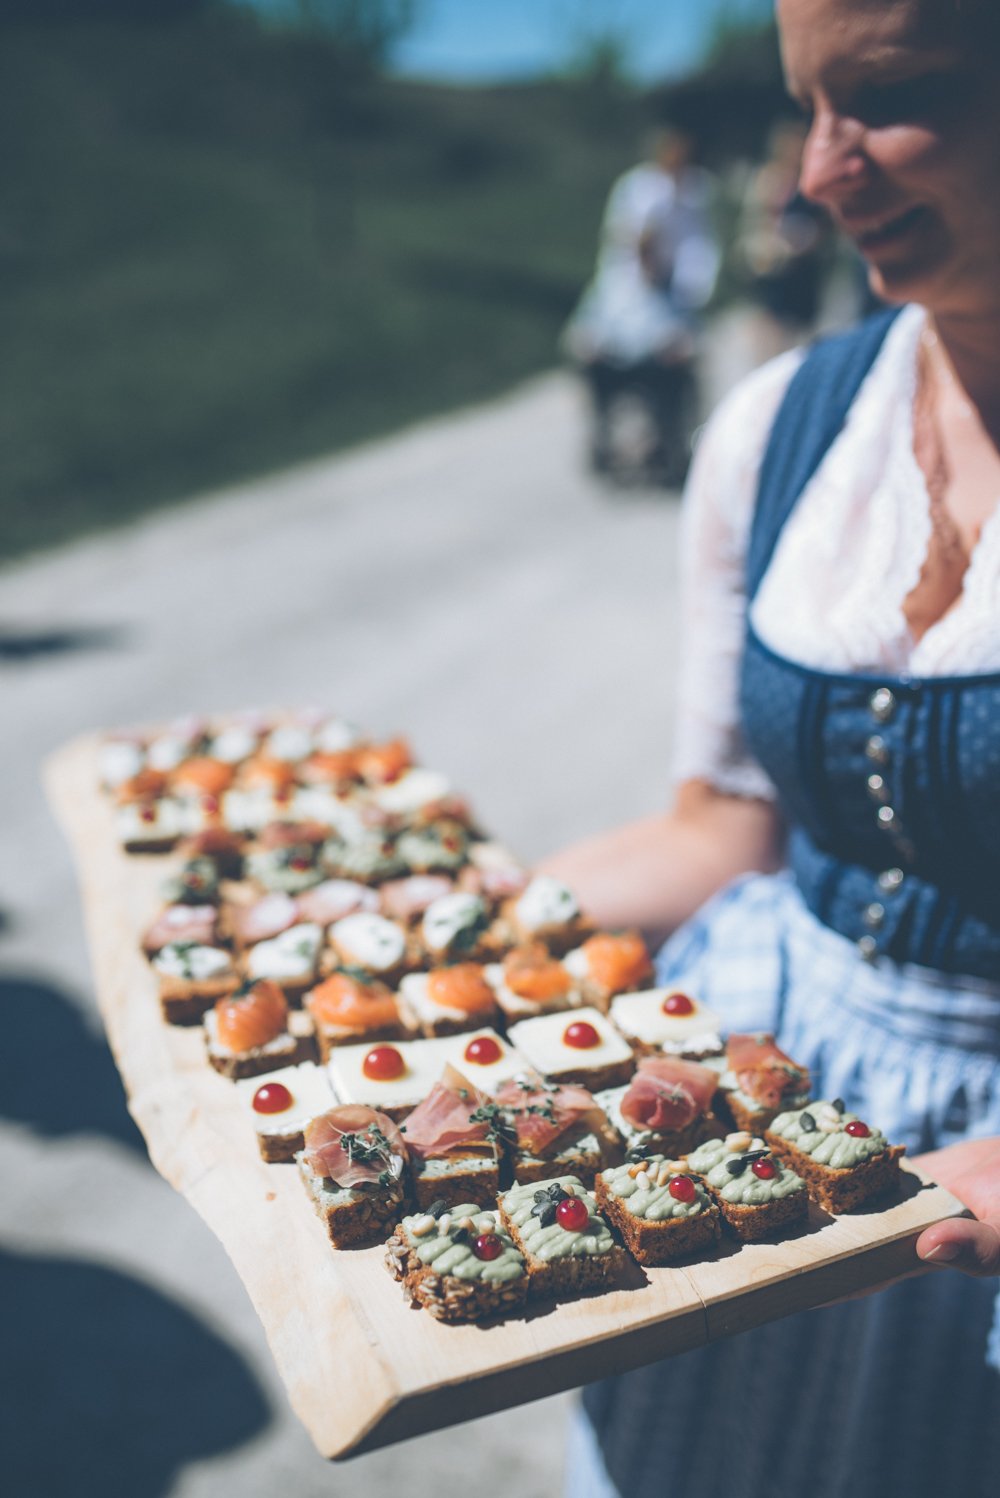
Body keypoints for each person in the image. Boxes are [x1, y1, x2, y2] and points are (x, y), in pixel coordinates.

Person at [545, 2, 1000, 1493]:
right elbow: (724, 826)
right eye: (810, 109)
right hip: (770, 1096)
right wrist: (459, 926)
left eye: (894, 96)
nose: (819, 176)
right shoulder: (783, 429)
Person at [562, 126, 720, 485]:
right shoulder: (618, 279)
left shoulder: (693, 198)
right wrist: (591, 343)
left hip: (662, 350)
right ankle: (608, 439)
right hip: (621, 349)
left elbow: (699, 259)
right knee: (590, 363)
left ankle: (667, 440)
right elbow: (593, 320)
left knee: (679, 367)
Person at [735, 117, 830, 360]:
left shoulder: (810, 182)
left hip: (804, 270)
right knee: (772, 341)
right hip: (773, 269)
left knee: (804, 341)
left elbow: (825, 225)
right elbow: (755, 224)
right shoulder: (767, 180)